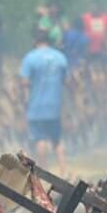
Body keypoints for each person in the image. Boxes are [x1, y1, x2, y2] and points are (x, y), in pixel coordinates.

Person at [20, 27, 69, 173]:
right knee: (57, 140)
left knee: (40, 140)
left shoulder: (30, 58)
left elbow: (24, 82)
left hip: (37, 106)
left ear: (35, 41)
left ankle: (44, 173)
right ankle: (64, 171)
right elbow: (65, 81)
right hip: (55, 106)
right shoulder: (60, 57)